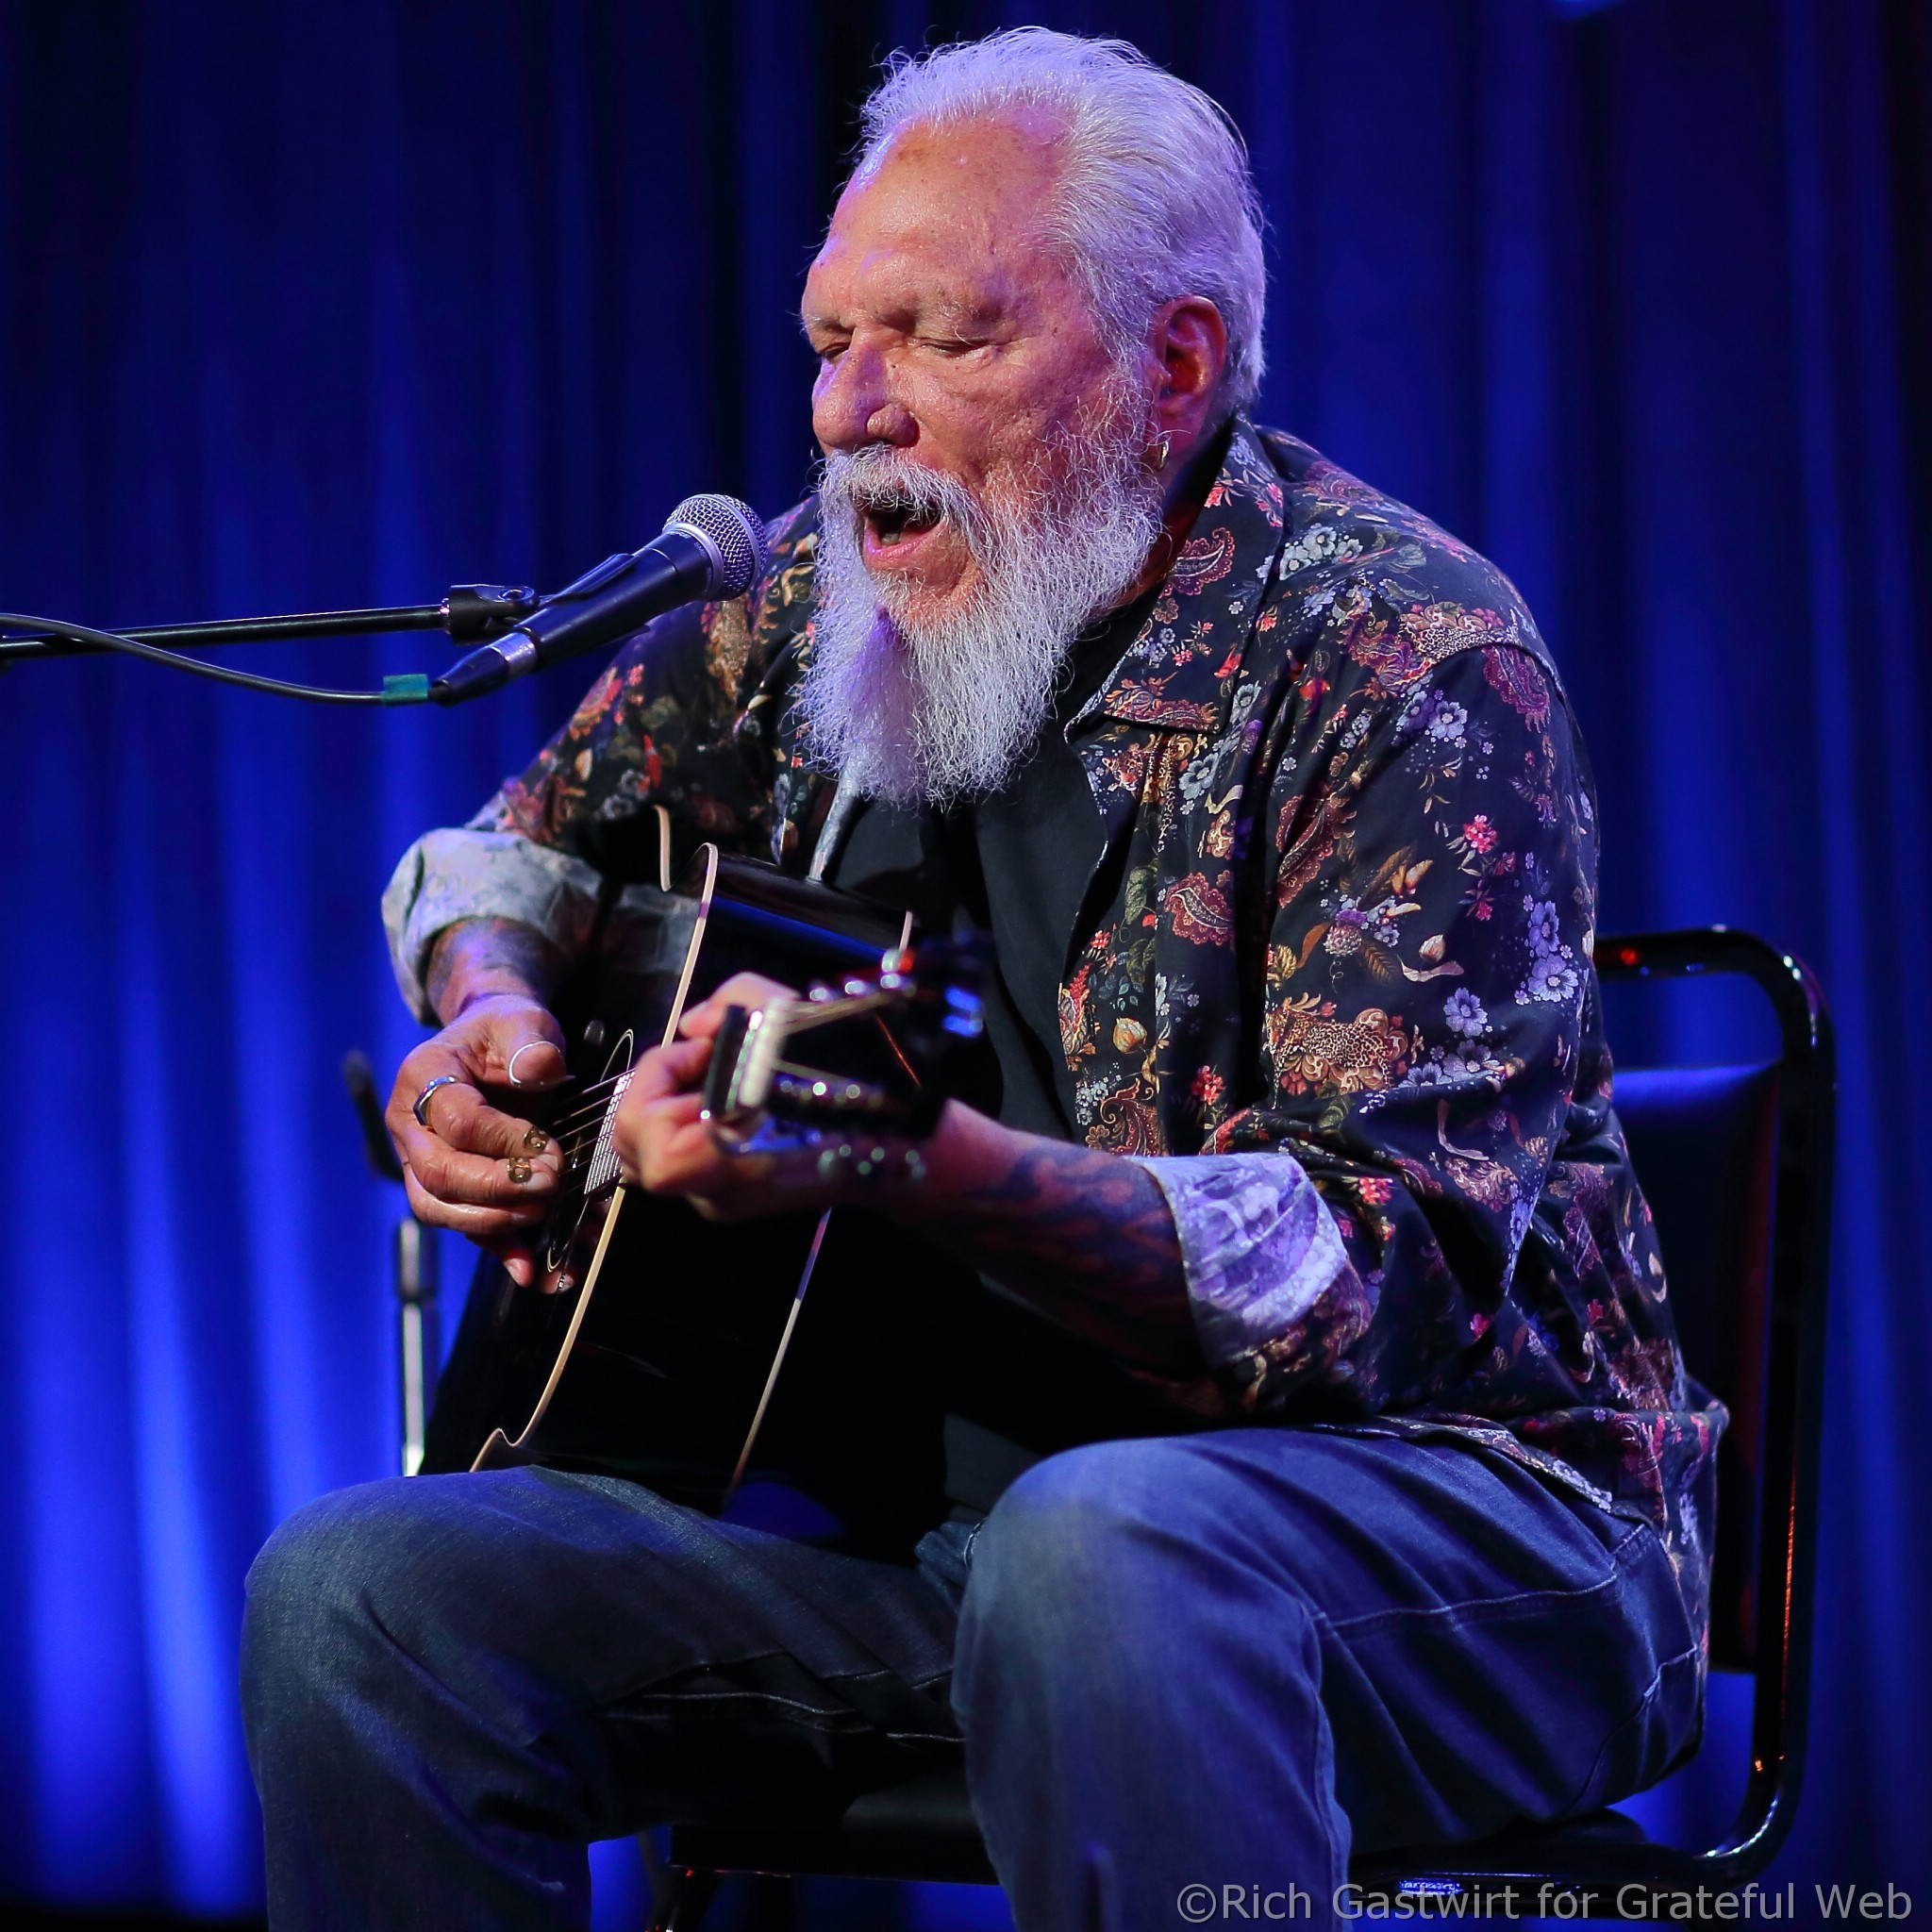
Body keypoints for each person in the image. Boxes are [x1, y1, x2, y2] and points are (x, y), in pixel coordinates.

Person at [242, 29, 1723, 1932]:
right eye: (829, 342)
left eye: (944, 338)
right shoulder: (805, 605)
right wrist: (494, 1018)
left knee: (1098, 1546)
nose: (855, 411)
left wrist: (926, 1170)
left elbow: (1369, 1282)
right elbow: (505, 856)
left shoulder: (1403, 657)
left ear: (1172, 364)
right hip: (940, 1546)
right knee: (362, 1598)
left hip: (1461, 1536)